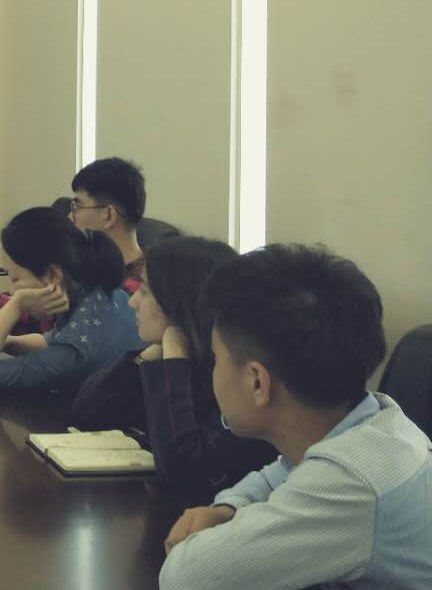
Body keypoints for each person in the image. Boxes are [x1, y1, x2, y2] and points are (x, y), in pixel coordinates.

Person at [161, 244, 432, 590]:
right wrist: (228, 509)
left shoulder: (352, 483)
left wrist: (221, 528)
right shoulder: (374, 420)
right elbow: (275, 476)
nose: (213, 372)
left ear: (257, 382)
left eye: (216, 359)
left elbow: (186, 577)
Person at [69, 235, 275, 497]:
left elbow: (184, 472)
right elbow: (87, 415)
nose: (133, 302)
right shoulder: (176, 358)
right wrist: (150, 356)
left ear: (180, 303)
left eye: (145, 291)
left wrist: (174, 361)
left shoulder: (232, 378)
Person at [0, 156, 151, 336]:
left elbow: (63, 339)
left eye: (77, 207)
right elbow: (39, 316)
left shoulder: (137, 290)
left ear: (108, 215)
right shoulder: (86, 267)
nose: (69, 217)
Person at [0, 207, 143, 391]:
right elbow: (53, 340)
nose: (12, 290)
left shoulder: (74, 354)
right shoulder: (94, 292)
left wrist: (16, 304)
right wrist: (7, 342)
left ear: (53, 275)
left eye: (15, 279)